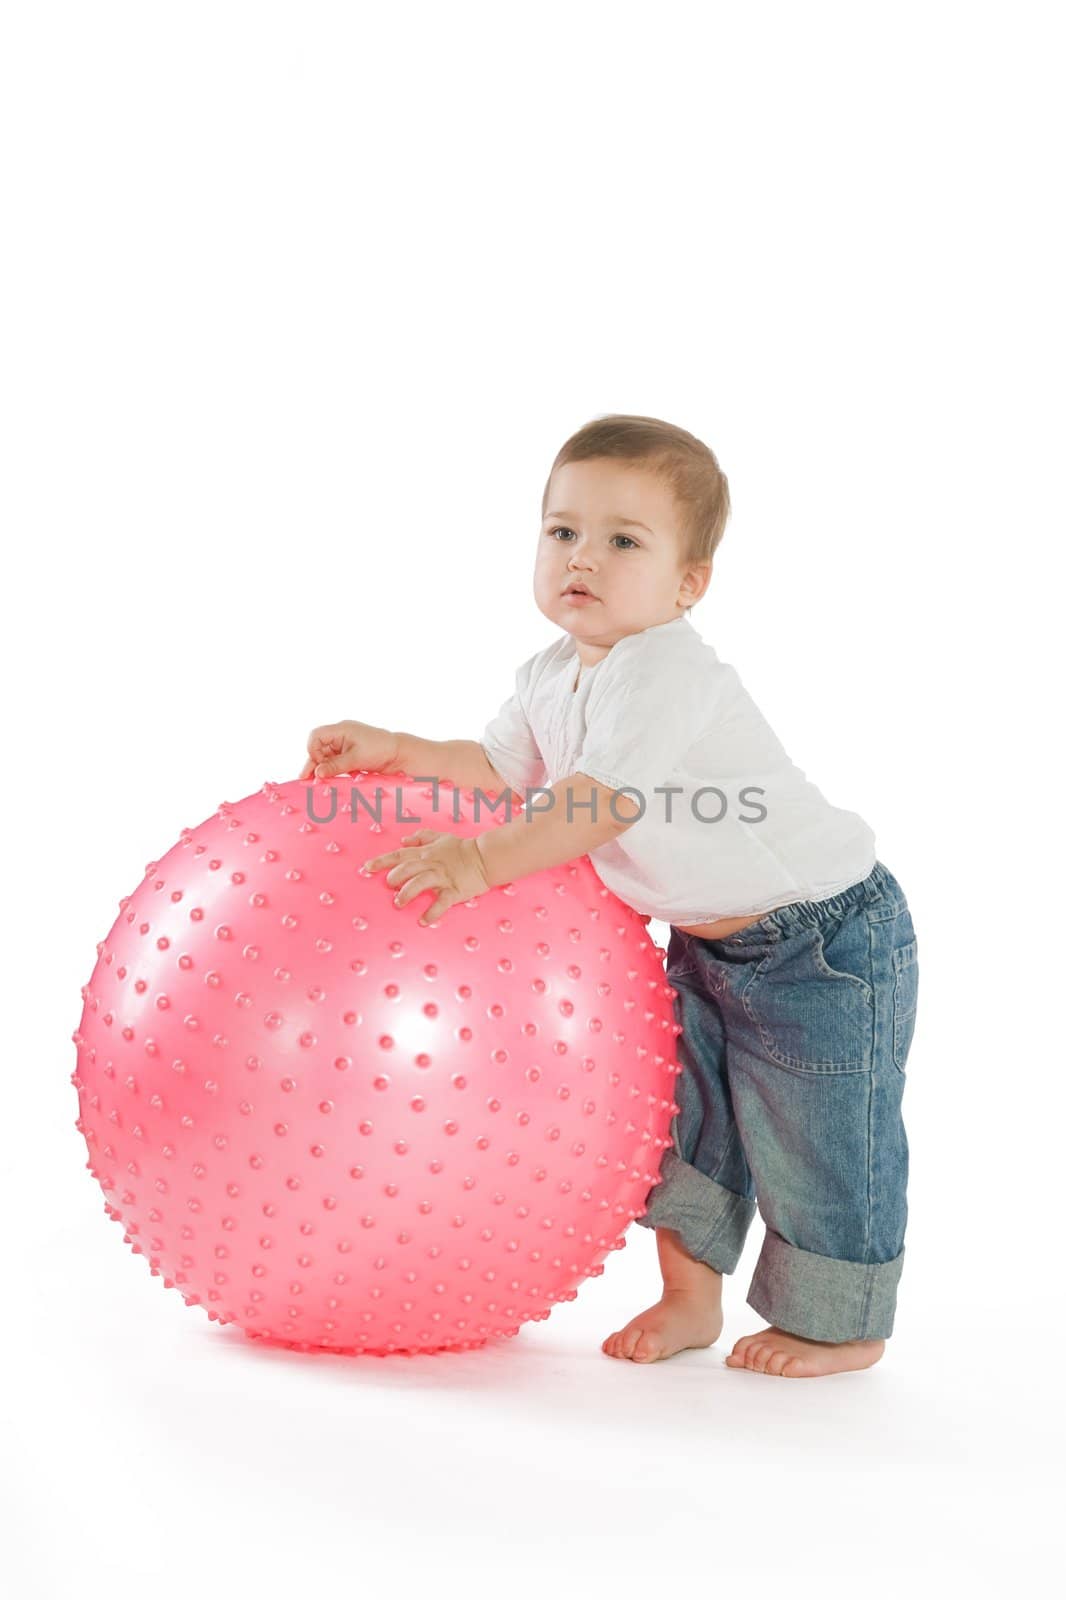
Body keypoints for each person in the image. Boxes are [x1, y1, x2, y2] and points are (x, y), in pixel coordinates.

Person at [300, 413, 919, 1378]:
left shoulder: (665, 669)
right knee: (693, 1125)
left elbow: (590, 805)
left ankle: (842, 1321)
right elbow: (501, 769)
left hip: (824, 940)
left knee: (817, 1137)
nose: (583, 556)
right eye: (563, 532)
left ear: (688, 583)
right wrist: (399, 750)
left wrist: (475, 865)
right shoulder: (553, 673)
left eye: (623, 540)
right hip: (709, 945)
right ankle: (688, 1301)